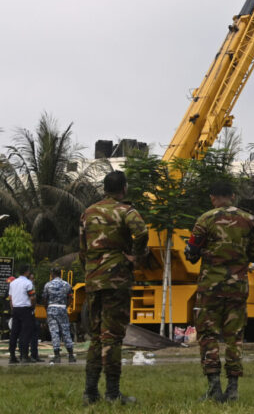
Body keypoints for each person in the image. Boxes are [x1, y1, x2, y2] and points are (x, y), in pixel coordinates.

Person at [185, 180, 254, 402]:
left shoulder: (205, 220)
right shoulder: (249, 220)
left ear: (213, 197)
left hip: (210, 288)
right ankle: (233, 388)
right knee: (234, 337)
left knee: (208, 335)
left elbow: (191, 254)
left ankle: (213, 388)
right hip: (237, 288)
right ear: (233, 196)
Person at [79, 170, 148, 404]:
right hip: (116, 279)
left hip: (93, 279)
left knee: (96, 336)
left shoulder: (88, 213)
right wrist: (135, 257)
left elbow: (82, 248)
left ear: (104, 188)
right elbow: (142, 232)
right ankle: (112, 393)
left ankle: (90, 392)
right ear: (124, 188)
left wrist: (90, 269)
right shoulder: (126, 211)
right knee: (113, 336)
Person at [43, 267, 76, 363]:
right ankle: (71, 355)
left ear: (52, 274)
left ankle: (57, 356)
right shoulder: (66, 284)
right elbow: (70, 298)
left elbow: (44, 299)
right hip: (62, 308)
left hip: (51, 308)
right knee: (66, 331)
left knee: (54, 332)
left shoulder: (48, 285)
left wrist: (47, 308)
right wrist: (65, 306)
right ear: (60, 274)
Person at [8, 264, 37, 364]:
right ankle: (24, 355)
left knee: (14, 333)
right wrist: (32, 307)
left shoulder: (13, 283)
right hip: (25, 310)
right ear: (27, 272)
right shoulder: (28, 283)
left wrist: (13, 309)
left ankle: (12, 356)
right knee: (25, 332)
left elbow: (10, 299)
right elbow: (32, 297)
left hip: (15, 309)